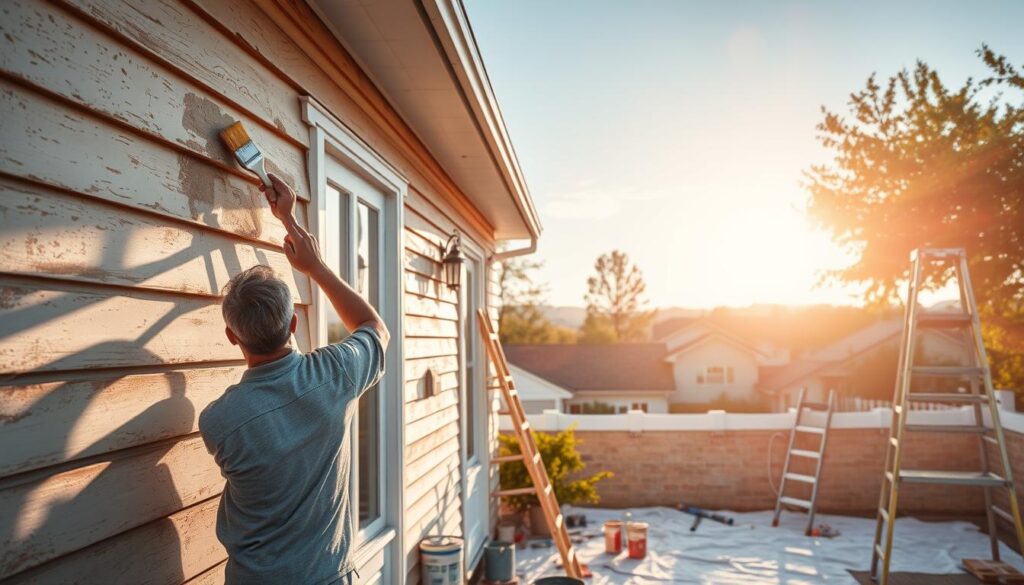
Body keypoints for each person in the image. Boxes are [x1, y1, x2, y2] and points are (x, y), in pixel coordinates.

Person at [199, 173, 390, 584]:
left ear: (232, 337)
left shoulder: (218, 423)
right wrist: (311, 259)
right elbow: (374, 327)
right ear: (293, 324)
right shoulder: (335, 374)